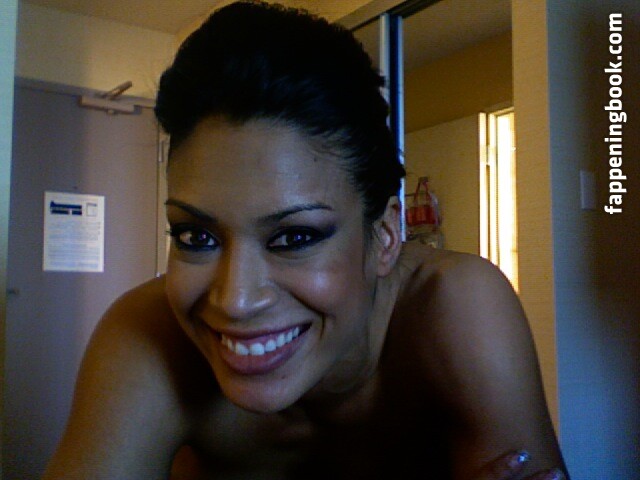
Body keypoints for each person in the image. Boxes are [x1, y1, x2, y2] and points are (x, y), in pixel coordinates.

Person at [43, 2, 570, 479]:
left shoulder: (456, 305)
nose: (235, 300)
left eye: (294, 236)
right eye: (196, 235)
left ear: (387, 236)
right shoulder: (146, 334)